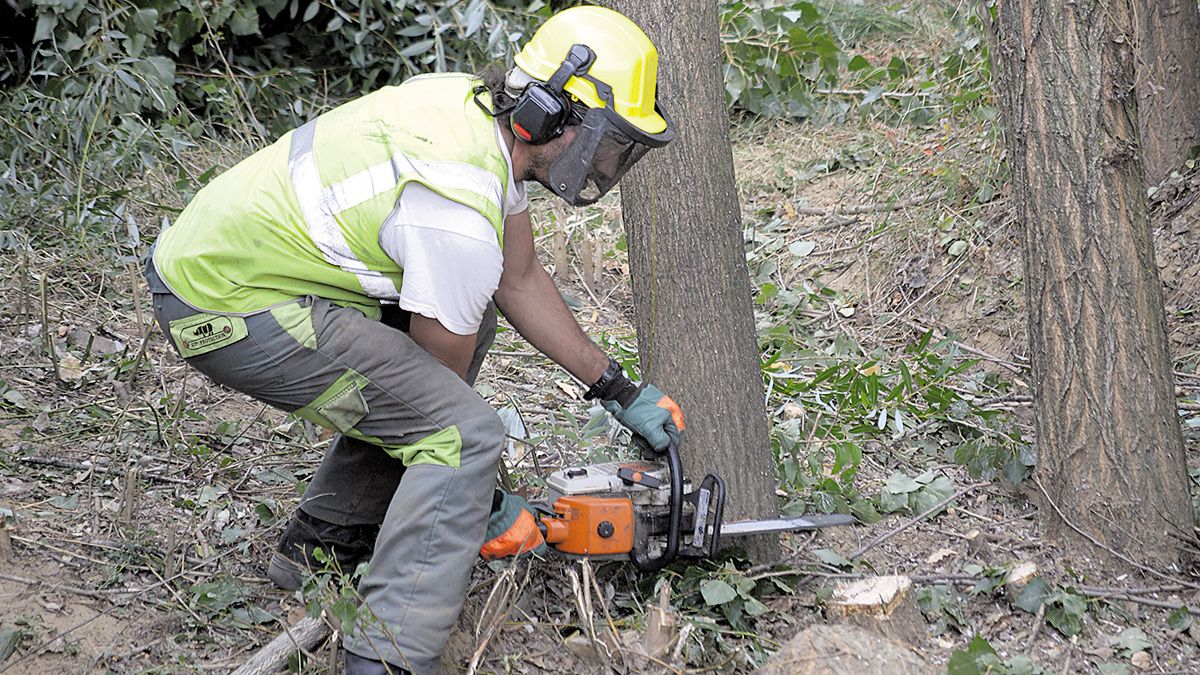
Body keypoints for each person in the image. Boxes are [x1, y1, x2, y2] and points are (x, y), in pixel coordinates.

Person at [144, 5, 683, 674]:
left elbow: (516, 276)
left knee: (469, 328)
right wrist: (480, 499)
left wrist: (616, 386)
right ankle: (385, 653)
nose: (606, 162)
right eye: (607, 141)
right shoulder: (457, 203)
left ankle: (326, 540)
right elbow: (437, 403)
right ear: (553, 113)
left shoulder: (476, 121)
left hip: (240, 274)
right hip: (227, 302)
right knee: (466, 435)